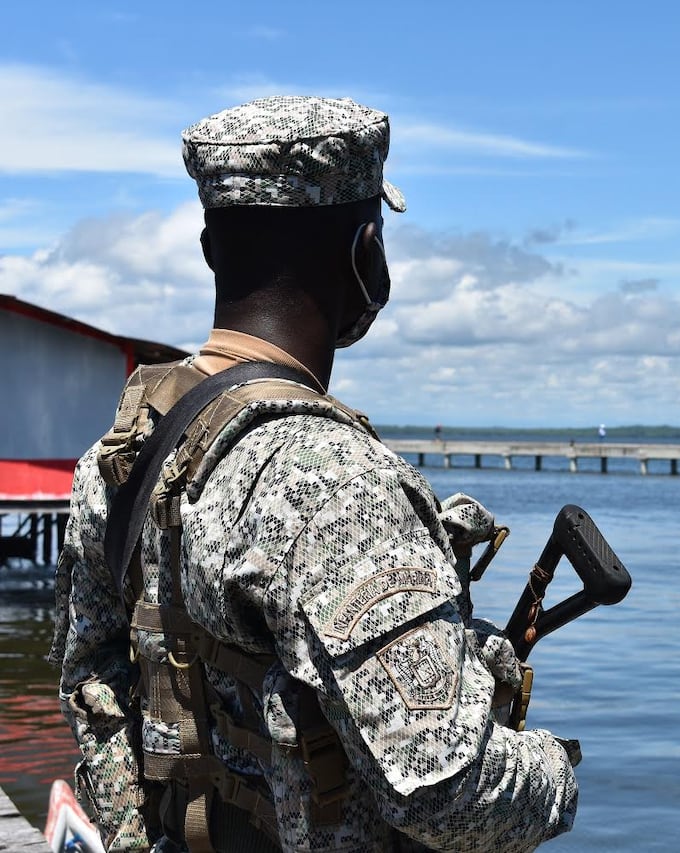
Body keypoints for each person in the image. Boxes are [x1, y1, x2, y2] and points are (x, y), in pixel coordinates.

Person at [50, 96, 578, 852]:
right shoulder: (336, 483)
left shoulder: (125, 451)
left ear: (209, 249)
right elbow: (446, 789)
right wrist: (555, 769)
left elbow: (93, 687)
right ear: (366, 254)